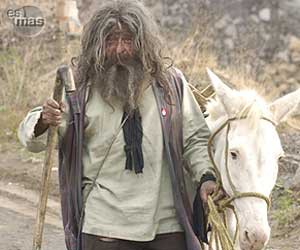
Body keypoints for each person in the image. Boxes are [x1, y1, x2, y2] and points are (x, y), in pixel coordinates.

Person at [18, 1, 220, 249]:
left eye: (128, 40)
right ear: (96, 45)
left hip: (167, 224)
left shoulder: (171, 86)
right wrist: (43, 120)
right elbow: (35, 137)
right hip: (105, 226)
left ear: (144, 43)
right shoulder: (81, 92)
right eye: (111, 41)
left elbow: (195, 139)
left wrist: (206, 176)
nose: (120, 49)